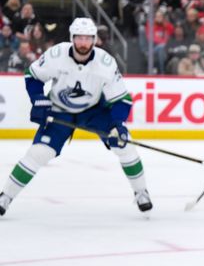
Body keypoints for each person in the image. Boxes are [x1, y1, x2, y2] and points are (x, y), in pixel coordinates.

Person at [0, 18, 152, 217]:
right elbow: (33, 76)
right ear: (72, 38)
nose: (83, 43)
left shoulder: (105, 63)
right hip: (59, 110)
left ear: (94, 40)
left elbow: (122, 100)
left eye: (88, 38)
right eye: (79, 38)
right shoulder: (57, 54)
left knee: (125, 145)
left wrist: (117, 124)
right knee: (39, 153)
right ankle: (6, 196)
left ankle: (141, 192)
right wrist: (38, 98)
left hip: (94, 111)